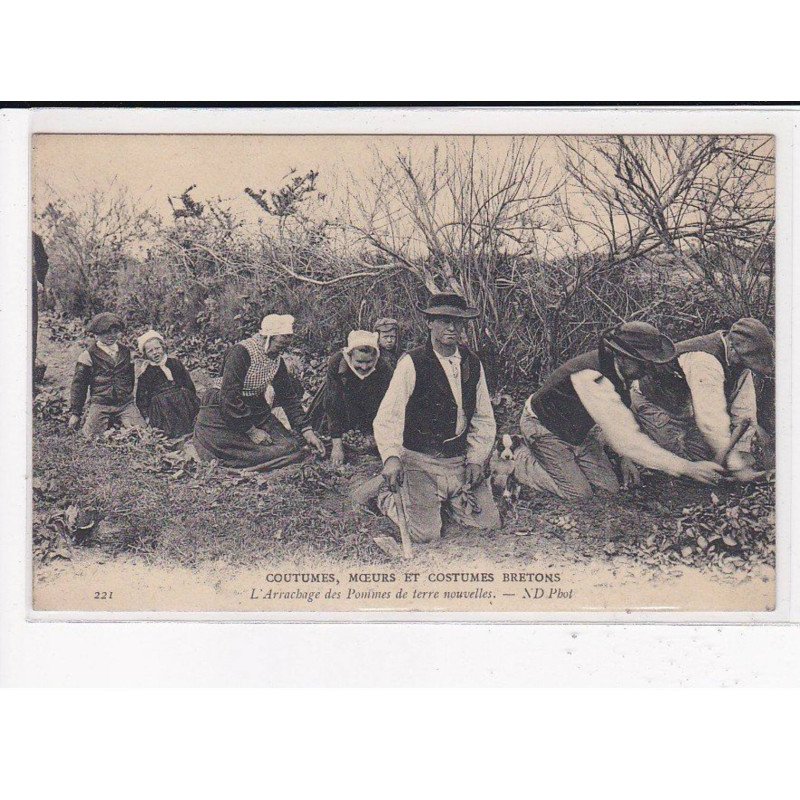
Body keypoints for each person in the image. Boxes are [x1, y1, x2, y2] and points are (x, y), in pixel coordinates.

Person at [515, 322, 724, 502]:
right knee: (579, 495)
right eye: (643, 363)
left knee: (609, 489)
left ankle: (564, 461)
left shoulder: (622, 372)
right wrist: (688, 467)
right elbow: (626, 439)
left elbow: (622, 420)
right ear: (623, 356)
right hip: (546, 428)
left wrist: (626, 458)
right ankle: (520, 460)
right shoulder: (591, 377)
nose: (648, 370)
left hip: (580, 433)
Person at [369, 293, 500, 543]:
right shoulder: (412, 362)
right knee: (425, 534)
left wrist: (475, 459)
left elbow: (483, 417)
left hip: (458, 461)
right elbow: (389, 416)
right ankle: (386, 497)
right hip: (421, 462)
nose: (451, 328)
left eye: (458, 322)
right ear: (429, 322)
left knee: (488, 524)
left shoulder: (472, 363)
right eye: (443, 320)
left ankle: (444, 500)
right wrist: (392, 457)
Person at [630, 318, 775, 480]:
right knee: (689, 466)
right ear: (733, 348)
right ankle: (637, 430)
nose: (744, 366)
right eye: (742, 361)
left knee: (709, 459)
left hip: (685, 409)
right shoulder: (705, 360)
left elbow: (744, 412)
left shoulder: (740, 364)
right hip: (653, 400)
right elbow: (710, 420)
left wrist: (742, 453)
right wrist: (737, 466)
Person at [193, 314, 325, 470]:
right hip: (223, 407)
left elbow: (288, 397)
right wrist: (252, 431)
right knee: (233, 450)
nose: (281, 352)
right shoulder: (241, 353)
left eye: (284, 348)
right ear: (267, 338)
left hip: (254, 406)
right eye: (279, 346)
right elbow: (229, 396)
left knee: (291, 445)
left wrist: (307, 430)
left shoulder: (277, 360)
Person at [68, 312, 145, 438]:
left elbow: (130, 378)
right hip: (101, 403)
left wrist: (126, 395)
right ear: (96, 334)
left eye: (115, 331)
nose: (111, 336)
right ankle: (95, 416)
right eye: (106, 332)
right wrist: (76, 413)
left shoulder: (125, 352)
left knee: (142, 432)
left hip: (124, 403)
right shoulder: (88, 355)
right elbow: (79, 385)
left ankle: (119, 419)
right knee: (90, 436)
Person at [322, 330, 393, 466]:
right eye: (359, 362)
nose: (364, 367)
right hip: (344, 403)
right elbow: (332, 403)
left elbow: (389, 405)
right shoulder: (337, 362)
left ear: (375, 357)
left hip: (371, 405)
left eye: (369, 362)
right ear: (350, 356)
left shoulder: (384, 367)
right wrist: (337, 445)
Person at [135, 330, 199, 439]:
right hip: (162, 406)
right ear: (145, 354)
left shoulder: (174, 363)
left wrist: (192, 399)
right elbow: (142, 397)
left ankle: (190, 428)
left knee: (185, 398)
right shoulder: (146, 373)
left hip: (181, 400)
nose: (155, 352)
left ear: (163, 348)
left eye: (157, 348)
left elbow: (188, 383)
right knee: (166, 424)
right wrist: (147, 416)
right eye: (150, 351)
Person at [32, 231, 49, 380]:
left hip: (26, 287)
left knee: (30, 328)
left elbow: (43, 261)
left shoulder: (32, 237)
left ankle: (29, 368)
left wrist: (39, 281)